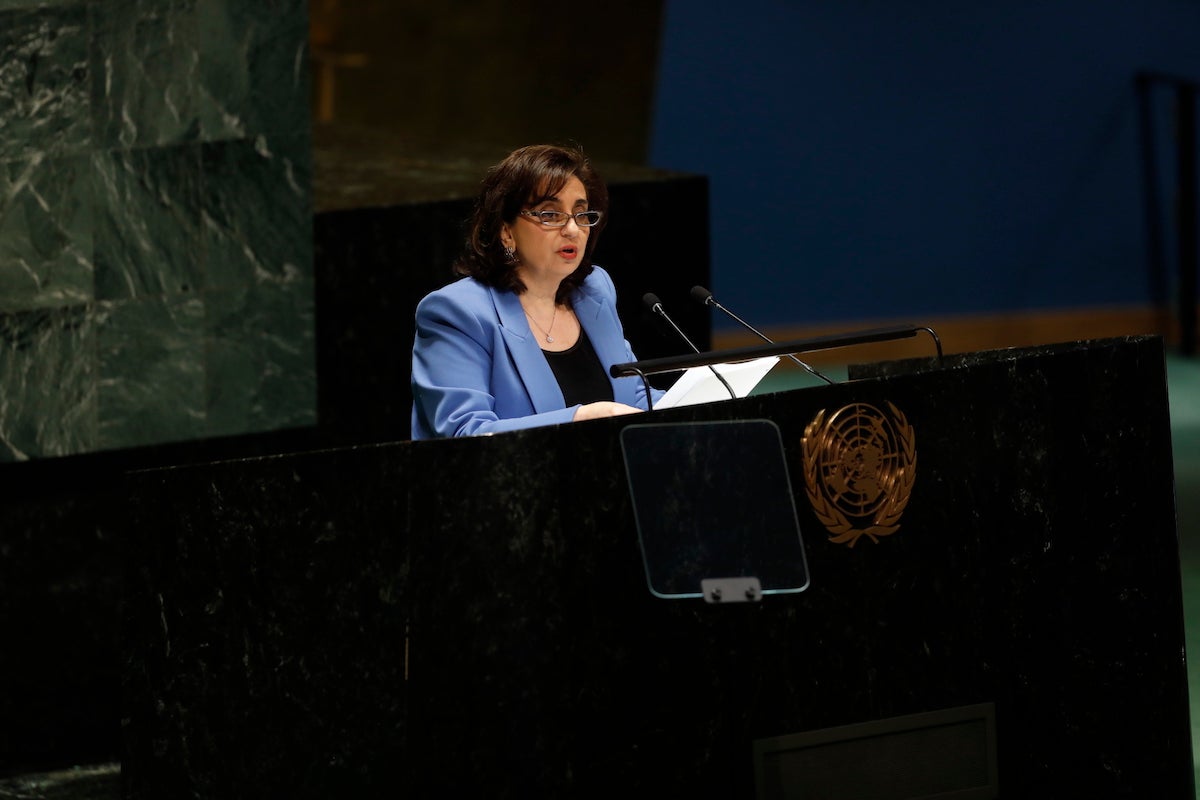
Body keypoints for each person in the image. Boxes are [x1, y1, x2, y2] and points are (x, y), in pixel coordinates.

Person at [410, 144, 663, 439]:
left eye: (581, 214)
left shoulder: (594, 291)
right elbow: (463, 433)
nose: (573, 229)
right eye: (551, 214)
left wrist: (708, 394)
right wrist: (581, 418)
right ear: (507, 231)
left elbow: (634, 399)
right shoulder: (458, 312)